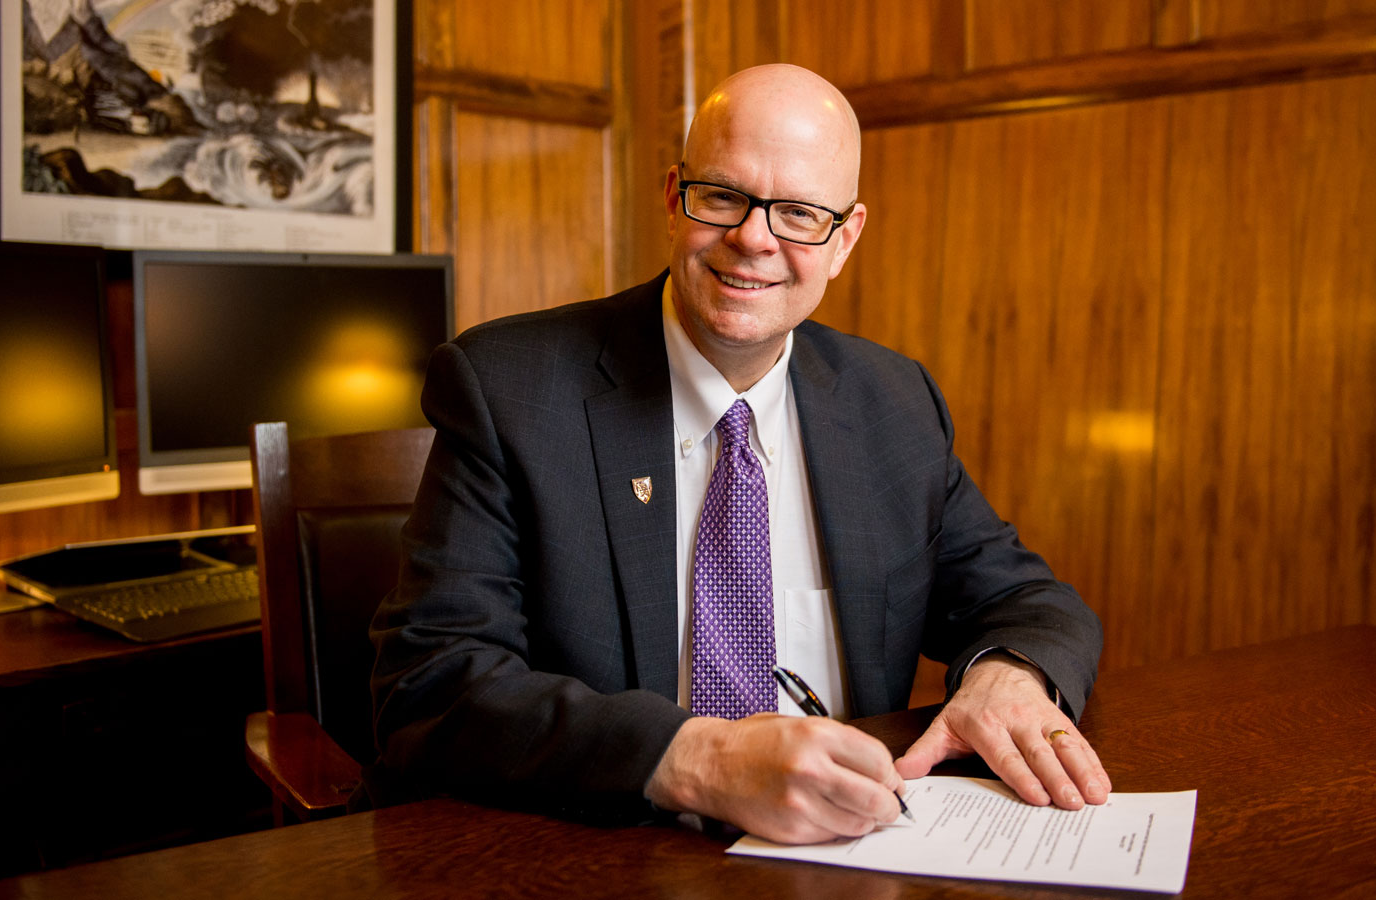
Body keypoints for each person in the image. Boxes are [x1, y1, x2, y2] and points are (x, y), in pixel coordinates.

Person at [369, 63, 1109, 844]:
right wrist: (704, 759)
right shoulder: (510, 389)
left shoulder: (892, 403)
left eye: (796, 213)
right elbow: (431, 687)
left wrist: (1009, 674)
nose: (754, 239)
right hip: (601, 851)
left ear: (844, 239)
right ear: (672, 198)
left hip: (851, 852)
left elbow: (1031, 603)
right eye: (722, 196)